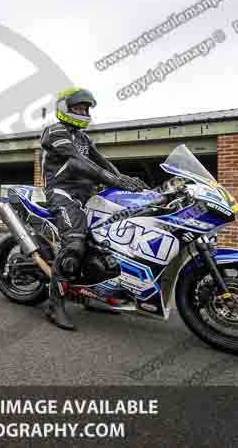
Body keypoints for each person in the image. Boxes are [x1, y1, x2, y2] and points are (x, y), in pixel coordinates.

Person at [40, 87, 147, 331]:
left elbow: (103, 163)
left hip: (88, 195)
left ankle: (92, 294)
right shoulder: (55, 131)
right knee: (75, 244)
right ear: (65, 108)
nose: (84, 112)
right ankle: (54, 305)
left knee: (104, 243)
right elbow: (78, 162)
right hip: (63, 193)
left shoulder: (84, 138)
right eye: (78, 107)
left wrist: (126, 181)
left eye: (86, 108)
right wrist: (115, 180)